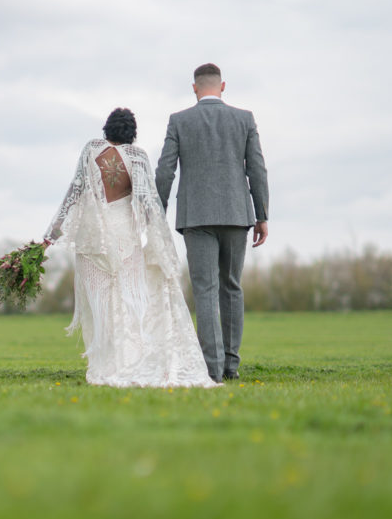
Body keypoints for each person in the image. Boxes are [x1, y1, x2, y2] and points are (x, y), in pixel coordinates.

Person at [44, 108, 217, 388]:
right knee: (126, 300)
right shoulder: (138, 157)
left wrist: (50, 235)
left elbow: (73, 192)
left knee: (99, 303)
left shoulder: (91, 150)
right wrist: (161, 246)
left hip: (93, 237)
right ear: (132, 133)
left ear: (107, 128)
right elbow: (149, 205)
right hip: (125, 235)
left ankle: (103, 364)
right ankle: (128, 361)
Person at [155, 63, 270, 382]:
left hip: (196, 217)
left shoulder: (179, 121)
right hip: (236, 214)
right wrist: (262, 215)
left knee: (205, 290)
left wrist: (156, 212)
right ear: (222, 86)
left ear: (194, 88)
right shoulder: (244, 118)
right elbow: (257, 169)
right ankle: (231, 365)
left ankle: (213, 368)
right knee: (232, 287)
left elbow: (165, 170)